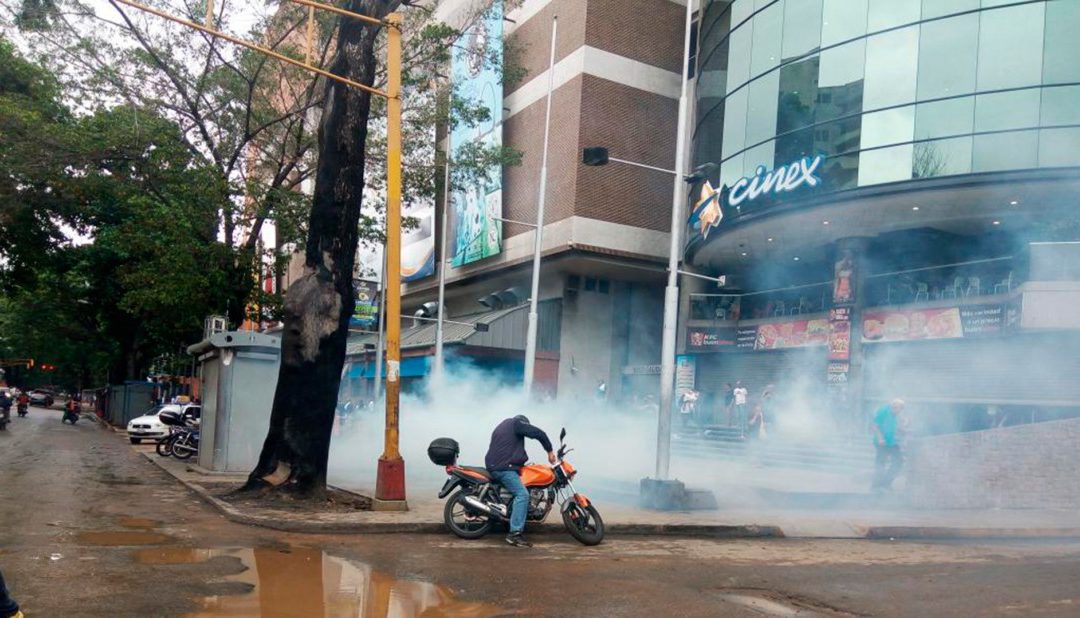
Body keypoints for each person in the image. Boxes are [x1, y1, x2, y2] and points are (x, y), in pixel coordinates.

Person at [485, 415, 556, 548]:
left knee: (521, 488)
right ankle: (514, 534)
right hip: (504, 468)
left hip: (498, 465)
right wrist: (550, 451)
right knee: (522, 495)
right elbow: (538, 433)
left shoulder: (503, 425)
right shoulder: (516, 423)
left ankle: (513, 517)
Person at [871, 399, 906, 491]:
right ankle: (876, 486)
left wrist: (902, 427)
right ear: (895, 407)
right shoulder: (883, 411)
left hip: (891, 442)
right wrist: (880, 438)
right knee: (880, 464)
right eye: (899, 410)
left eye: (901, 410)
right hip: (881, 442)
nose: (900, 412)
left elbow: (894, 428)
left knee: (899, 461)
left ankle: (885, 483)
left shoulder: (895, 414)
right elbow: (875, 425)